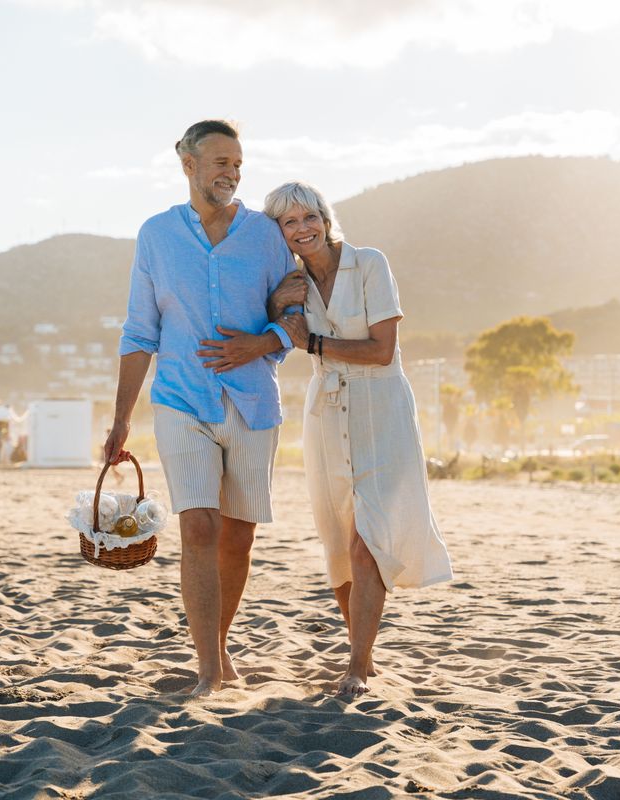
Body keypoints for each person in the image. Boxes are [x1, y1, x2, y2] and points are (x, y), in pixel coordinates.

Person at [103, 119, 298, 696]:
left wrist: (259, 343)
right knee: (199, 527)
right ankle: (208, 667)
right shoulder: (157, 235)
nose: (233, 173)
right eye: (221, 162)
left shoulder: (266, 235)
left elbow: (296, 311)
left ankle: (219, 642)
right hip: (181, 399)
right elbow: (140, 332)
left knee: (238, 537)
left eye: (238, 163)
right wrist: (118, 423)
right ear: (187, 164)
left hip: (251, 400)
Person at [266, 180, 453, 697]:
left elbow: (381, 351)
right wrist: (275, 304)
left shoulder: (370, 263)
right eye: (289, 222)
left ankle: (356, 663)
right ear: (280, 232)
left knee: (367, 538)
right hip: (325, 412)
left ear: (326, 219)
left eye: (309, 217)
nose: (302, 228)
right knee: (338, 541)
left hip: (380, 409)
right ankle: (362, 656)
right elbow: (272, 332)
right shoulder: (291, 283)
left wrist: (314, 342)